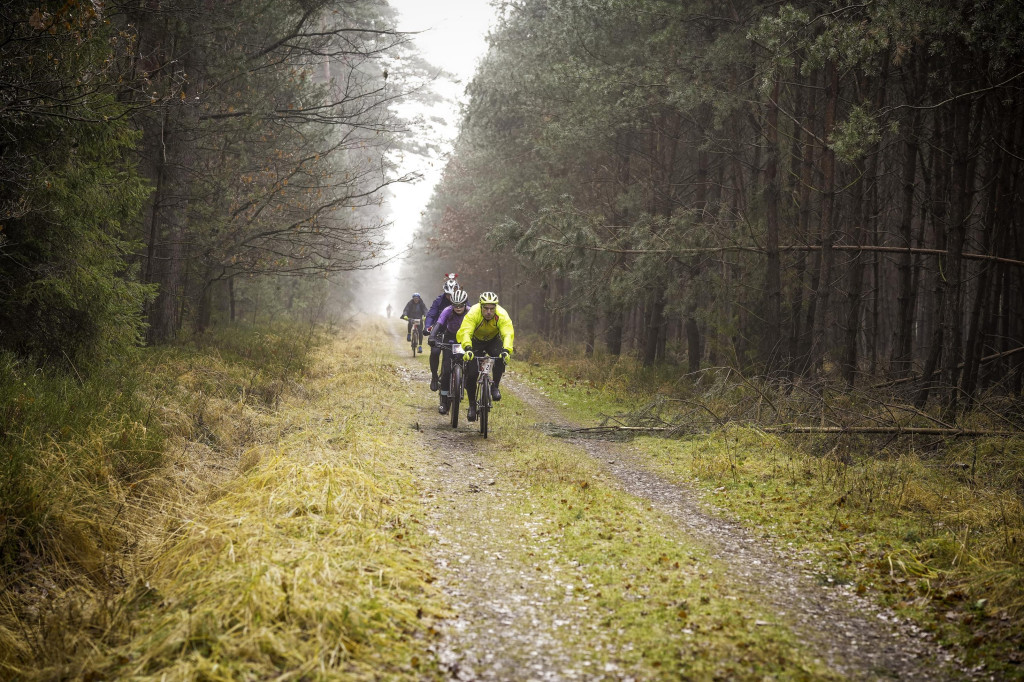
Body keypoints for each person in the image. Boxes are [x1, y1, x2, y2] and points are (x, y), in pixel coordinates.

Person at [456, 291, 515, 422]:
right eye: (486, 308)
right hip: (475, 341)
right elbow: (466, 331)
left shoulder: (502, 315)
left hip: (493, 340)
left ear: (496, 308)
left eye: (492, 309)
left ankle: (495, 387)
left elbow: (508, 333)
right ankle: (472, 405)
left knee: (500, 358)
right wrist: (468, 348)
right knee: (471, 374)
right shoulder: (473, 313)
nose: (489, 312)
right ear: (481, 306)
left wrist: (506, 350)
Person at [428, 288, 470, 414]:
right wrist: (432, 337)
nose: (458, 308)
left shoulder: (470, 312)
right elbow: (439, 324)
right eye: (455, 305)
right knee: (446, 369)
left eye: (461, 305)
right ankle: (444, 401)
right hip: (450, 338)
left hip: (465, 339)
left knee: (469, 367)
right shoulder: (447, 311)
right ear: (452, 305)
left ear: (465, 304)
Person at [425, 277, 461, 391]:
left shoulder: (462, 299)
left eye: (452, 294)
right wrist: (427, 327)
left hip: (456, 333)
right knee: (435, 352)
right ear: (445, 293)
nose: (450, 298)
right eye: (448, 295)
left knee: (462, 356)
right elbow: (431, 315)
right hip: (440, 331)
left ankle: (460, 376)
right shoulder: (439, 301)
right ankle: (435, 377)